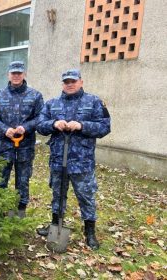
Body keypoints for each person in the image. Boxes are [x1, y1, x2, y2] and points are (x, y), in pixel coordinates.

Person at [36, 69, 111, 250]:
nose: (70, 84)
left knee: (86, 196)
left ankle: (90, 233)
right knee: (58, 195)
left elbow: (105, 126)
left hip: (82, 162)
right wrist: (54, 124)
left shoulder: (93, 102)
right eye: (66, 81)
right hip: (58, 160)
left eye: (73, 81)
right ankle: (55, 225)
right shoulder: (52, 104)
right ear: (62, 84)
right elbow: (40, 125)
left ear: (81, 82)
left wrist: (82, 125)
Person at [0, 61, 44, 218]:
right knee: (0, 180)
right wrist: (5, 130)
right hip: (3, 147)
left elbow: (41, 117)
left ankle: (19, 213)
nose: (16, 76)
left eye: (19, 73)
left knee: (23, 181)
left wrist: (25, 127)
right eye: (13, 73)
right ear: (9, 75)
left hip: (25, 147)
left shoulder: (35, 95)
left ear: (24, 74)